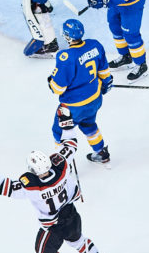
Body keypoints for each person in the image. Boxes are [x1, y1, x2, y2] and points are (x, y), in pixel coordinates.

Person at [0, 111, 117, 253]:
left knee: (43, 250)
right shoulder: (62, 165)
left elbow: (4, 187)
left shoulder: (32, 187)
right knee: (78, 241)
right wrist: (66, 122)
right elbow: (70, 144)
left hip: (53, 225)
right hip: (70, 213)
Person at [48, 19, 113, 164]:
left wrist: (51, 82)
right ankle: (101, 152)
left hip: (73, 107)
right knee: (89, 124)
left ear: (67, 36)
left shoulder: (66, 57)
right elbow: (104, 72)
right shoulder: (95, 45)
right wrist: (106, 83)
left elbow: (58, 88)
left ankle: (61, 164)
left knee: (59, 132)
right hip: (95, 99)